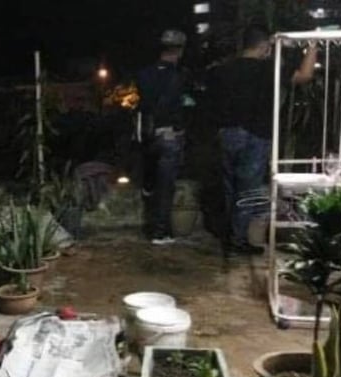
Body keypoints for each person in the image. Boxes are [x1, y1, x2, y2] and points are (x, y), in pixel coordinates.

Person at [208, 24, 317, 256]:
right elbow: (305, 76)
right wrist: (312, 45)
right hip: (256, 135)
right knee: (247, 189)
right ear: (265, 46)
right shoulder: (270, 69)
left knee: (230, 186)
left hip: (228, 133)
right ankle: (237, 239)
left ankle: (229, 234)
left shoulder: (222, 70)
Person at [136, 29, 190, 245]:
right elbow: (184, 103)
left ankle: (153, 223)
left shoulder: (145, 74)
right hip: (171, 134)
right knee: (166, 186)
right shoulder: (180, 75)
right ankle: (160, 232)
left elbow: (144, 104)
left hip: (150, 134)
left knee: (152, 182)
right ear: (180, 50)